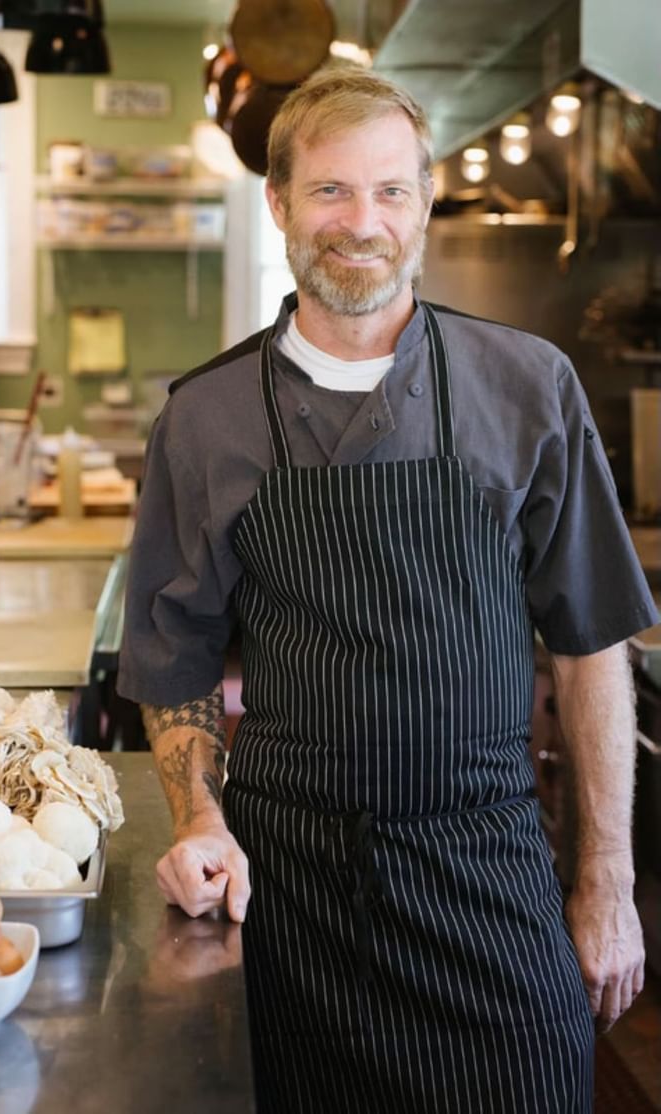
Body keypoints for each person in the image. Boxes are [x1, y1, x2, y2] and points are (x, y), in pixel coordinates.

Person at [117, 65, 659, 1114]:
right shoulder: (207, 418)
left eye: (390, 191)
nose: (361, 222)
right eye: (330, 191)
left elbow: (590, 641)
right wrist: (196, 820)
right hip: (292, 901)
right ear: (278, 203)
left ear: (423, 205)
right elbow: (174, 654)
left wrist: (609, 880)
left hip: (492, 879)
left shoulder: (528, 385)